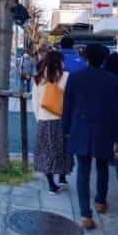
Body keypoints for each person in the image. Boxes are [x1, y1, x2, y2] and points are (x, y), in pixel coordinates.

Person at [62, 44, 118, 230]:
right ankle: (100, 201)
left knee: (82, 171)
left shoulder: (75, 78)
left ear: (86, 57)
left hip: (80, 127)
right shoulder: (113, 80)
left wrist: (65, 129)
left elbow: (68, 107)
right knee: (103, 166)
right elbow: (116, 111)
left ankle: (85, 214)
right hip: (104, 129)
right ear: (104, 58)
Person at [32, 51, 73, 194]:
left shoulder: (38, 78)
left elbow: (35, 102)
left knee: (46, 153)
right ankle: (62, 177)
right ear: (59, 63)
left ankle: (51, 184)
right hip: (61, 120)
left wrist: (39, 118)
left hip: (44, 121)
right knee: (64, 151)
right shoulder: (66, 77)